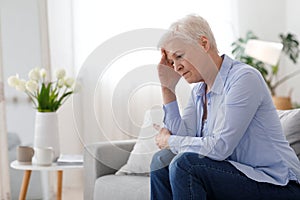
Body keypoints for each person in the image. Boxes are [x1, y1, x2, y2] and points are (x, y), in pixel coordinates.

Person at [150, 14, 300, 200]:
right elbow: (181, 139)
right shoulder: (199, 91)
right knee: (162, 161)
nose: (176, 67)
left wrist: (169, 140)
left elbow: (220, 147)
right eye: (172, 62)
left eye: (179, 56)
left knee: (185, 164)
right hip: (238, 175)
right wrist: (167, 88)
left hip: (278, 183)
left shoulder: (244, 78)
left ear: (204, 44)